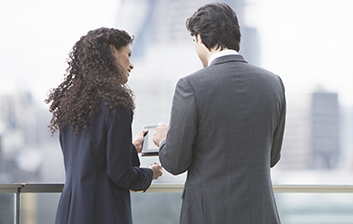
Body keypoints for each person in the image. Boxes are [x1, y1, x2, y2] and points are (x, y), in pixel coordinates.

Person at [152, 2, 286, 224]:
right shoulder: (273, 84)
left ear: (200, 39)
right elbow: (272, 157)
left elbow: (175, 163)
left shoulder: (191, 86)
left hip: (209, 215)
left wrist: (165, 140)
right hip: (261, 215)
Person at [45, 27, 163, 224]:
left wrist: (130, 149)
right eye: (128, 54)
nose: (131, 64)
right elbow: (120, 174)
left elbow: (91, 160)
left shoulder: (71, 103)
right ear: (112, 51)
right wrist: (150, 174)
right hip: (103, 212)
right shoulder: (116, 101)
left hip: (70, 211)